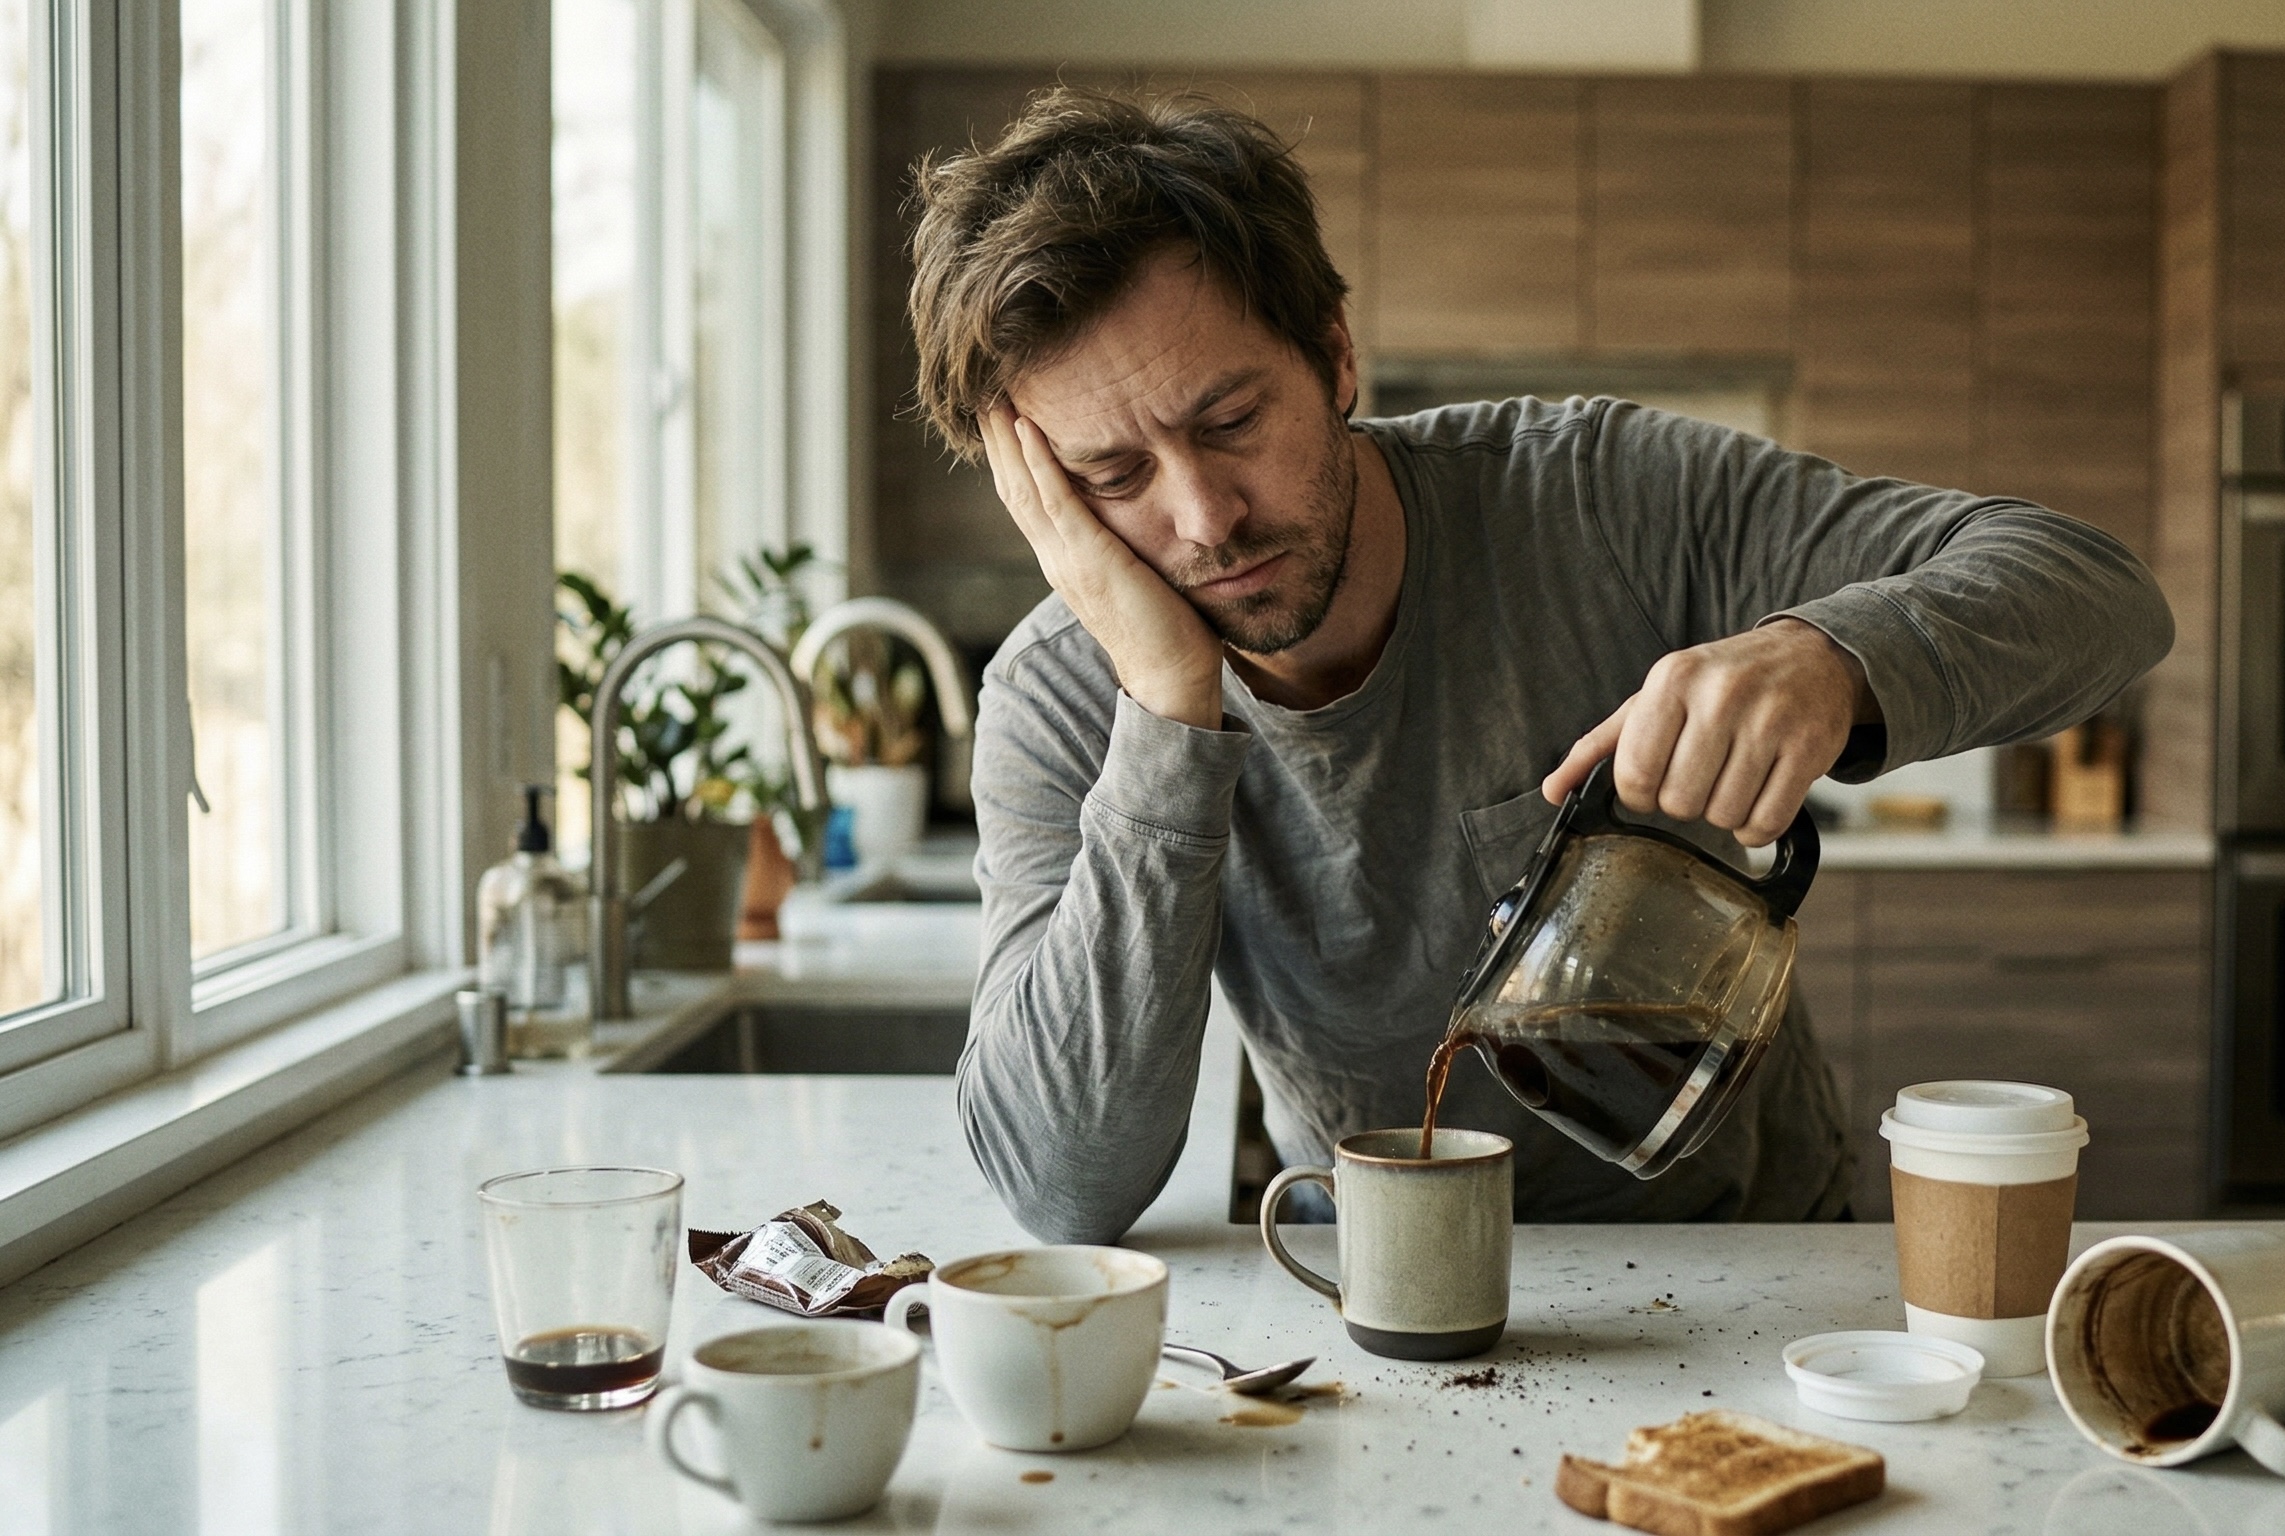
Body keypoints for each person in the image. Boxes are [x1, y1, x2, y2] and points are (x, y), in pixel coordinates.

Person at [905, 86, 2172, 1243]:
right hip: (1393, 1287)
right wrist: (1165, 710)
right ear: (1044, 499)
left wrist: (1827, 655)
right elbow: (1061, 1184)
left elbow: (2100, 594)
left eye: (1230, 423)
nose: (1200, 518)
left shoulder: (1601, 498)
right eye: (1111, 478)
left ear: (1334, 357)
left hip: (1751, 1262)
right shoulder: (1059, 696)